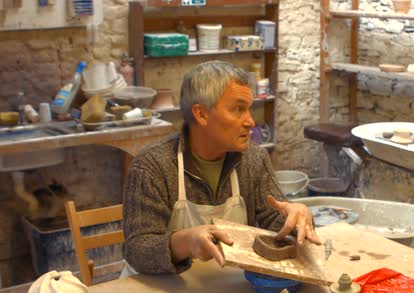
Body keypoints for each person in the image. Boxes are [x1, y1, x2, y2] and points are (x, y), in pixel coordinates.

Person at [122, 61, 320, 276]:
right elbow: (136, 251)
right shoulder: (153, 166)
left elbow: (276, 227)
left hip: (227, 291)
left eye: (249, 109)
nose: (251, 122)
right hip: (165, 291)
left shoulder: (253, 159)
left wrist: (296, 218)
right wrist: (184, 242)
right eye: (238, 109)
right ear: (201, 114)